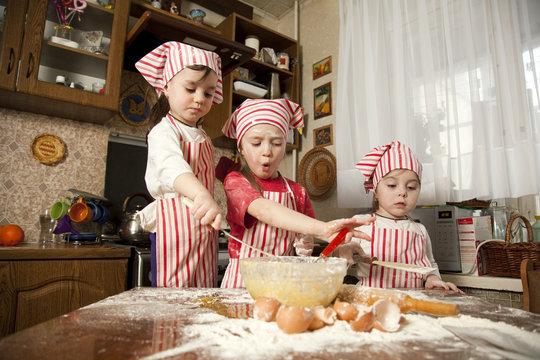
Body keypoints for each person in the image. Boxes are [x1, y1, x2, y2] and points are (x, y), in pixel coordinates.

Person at [219, 98, 374, 288]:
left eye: (276, 143)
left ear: (285, 146)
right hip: (243, 282)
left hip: (286, 282)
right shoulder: (236, 181)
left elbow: (306, 242)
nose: (267, 151)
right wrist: (324, 229)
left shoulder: (297, 192)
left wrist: (308, 246)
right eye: (256, 143)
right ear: (241, 147)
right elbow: (264, 209)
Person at [134, 41, 223, 288]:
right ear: (166, 87)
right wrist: (201, 194)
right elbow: (172, 166)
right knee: (173, 300)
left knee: (203, 293)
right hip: (175, 229)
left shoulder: (204, 136)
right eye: (190, 89)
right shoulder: (163, 132)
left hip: (204, 230)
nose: (199, 99)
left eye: (208, 93)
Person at [340, 140, 463, 292]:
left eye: (411, 187)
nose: (403, 192)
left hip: (413, 302)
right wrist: (342, 253)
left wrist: (433, 279)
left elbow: (430, 266)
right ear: (376, 191)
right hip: (371, 302)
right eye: (392, 185)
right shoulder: (363, 226)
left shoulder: (420, 231)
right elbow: (336, 266)